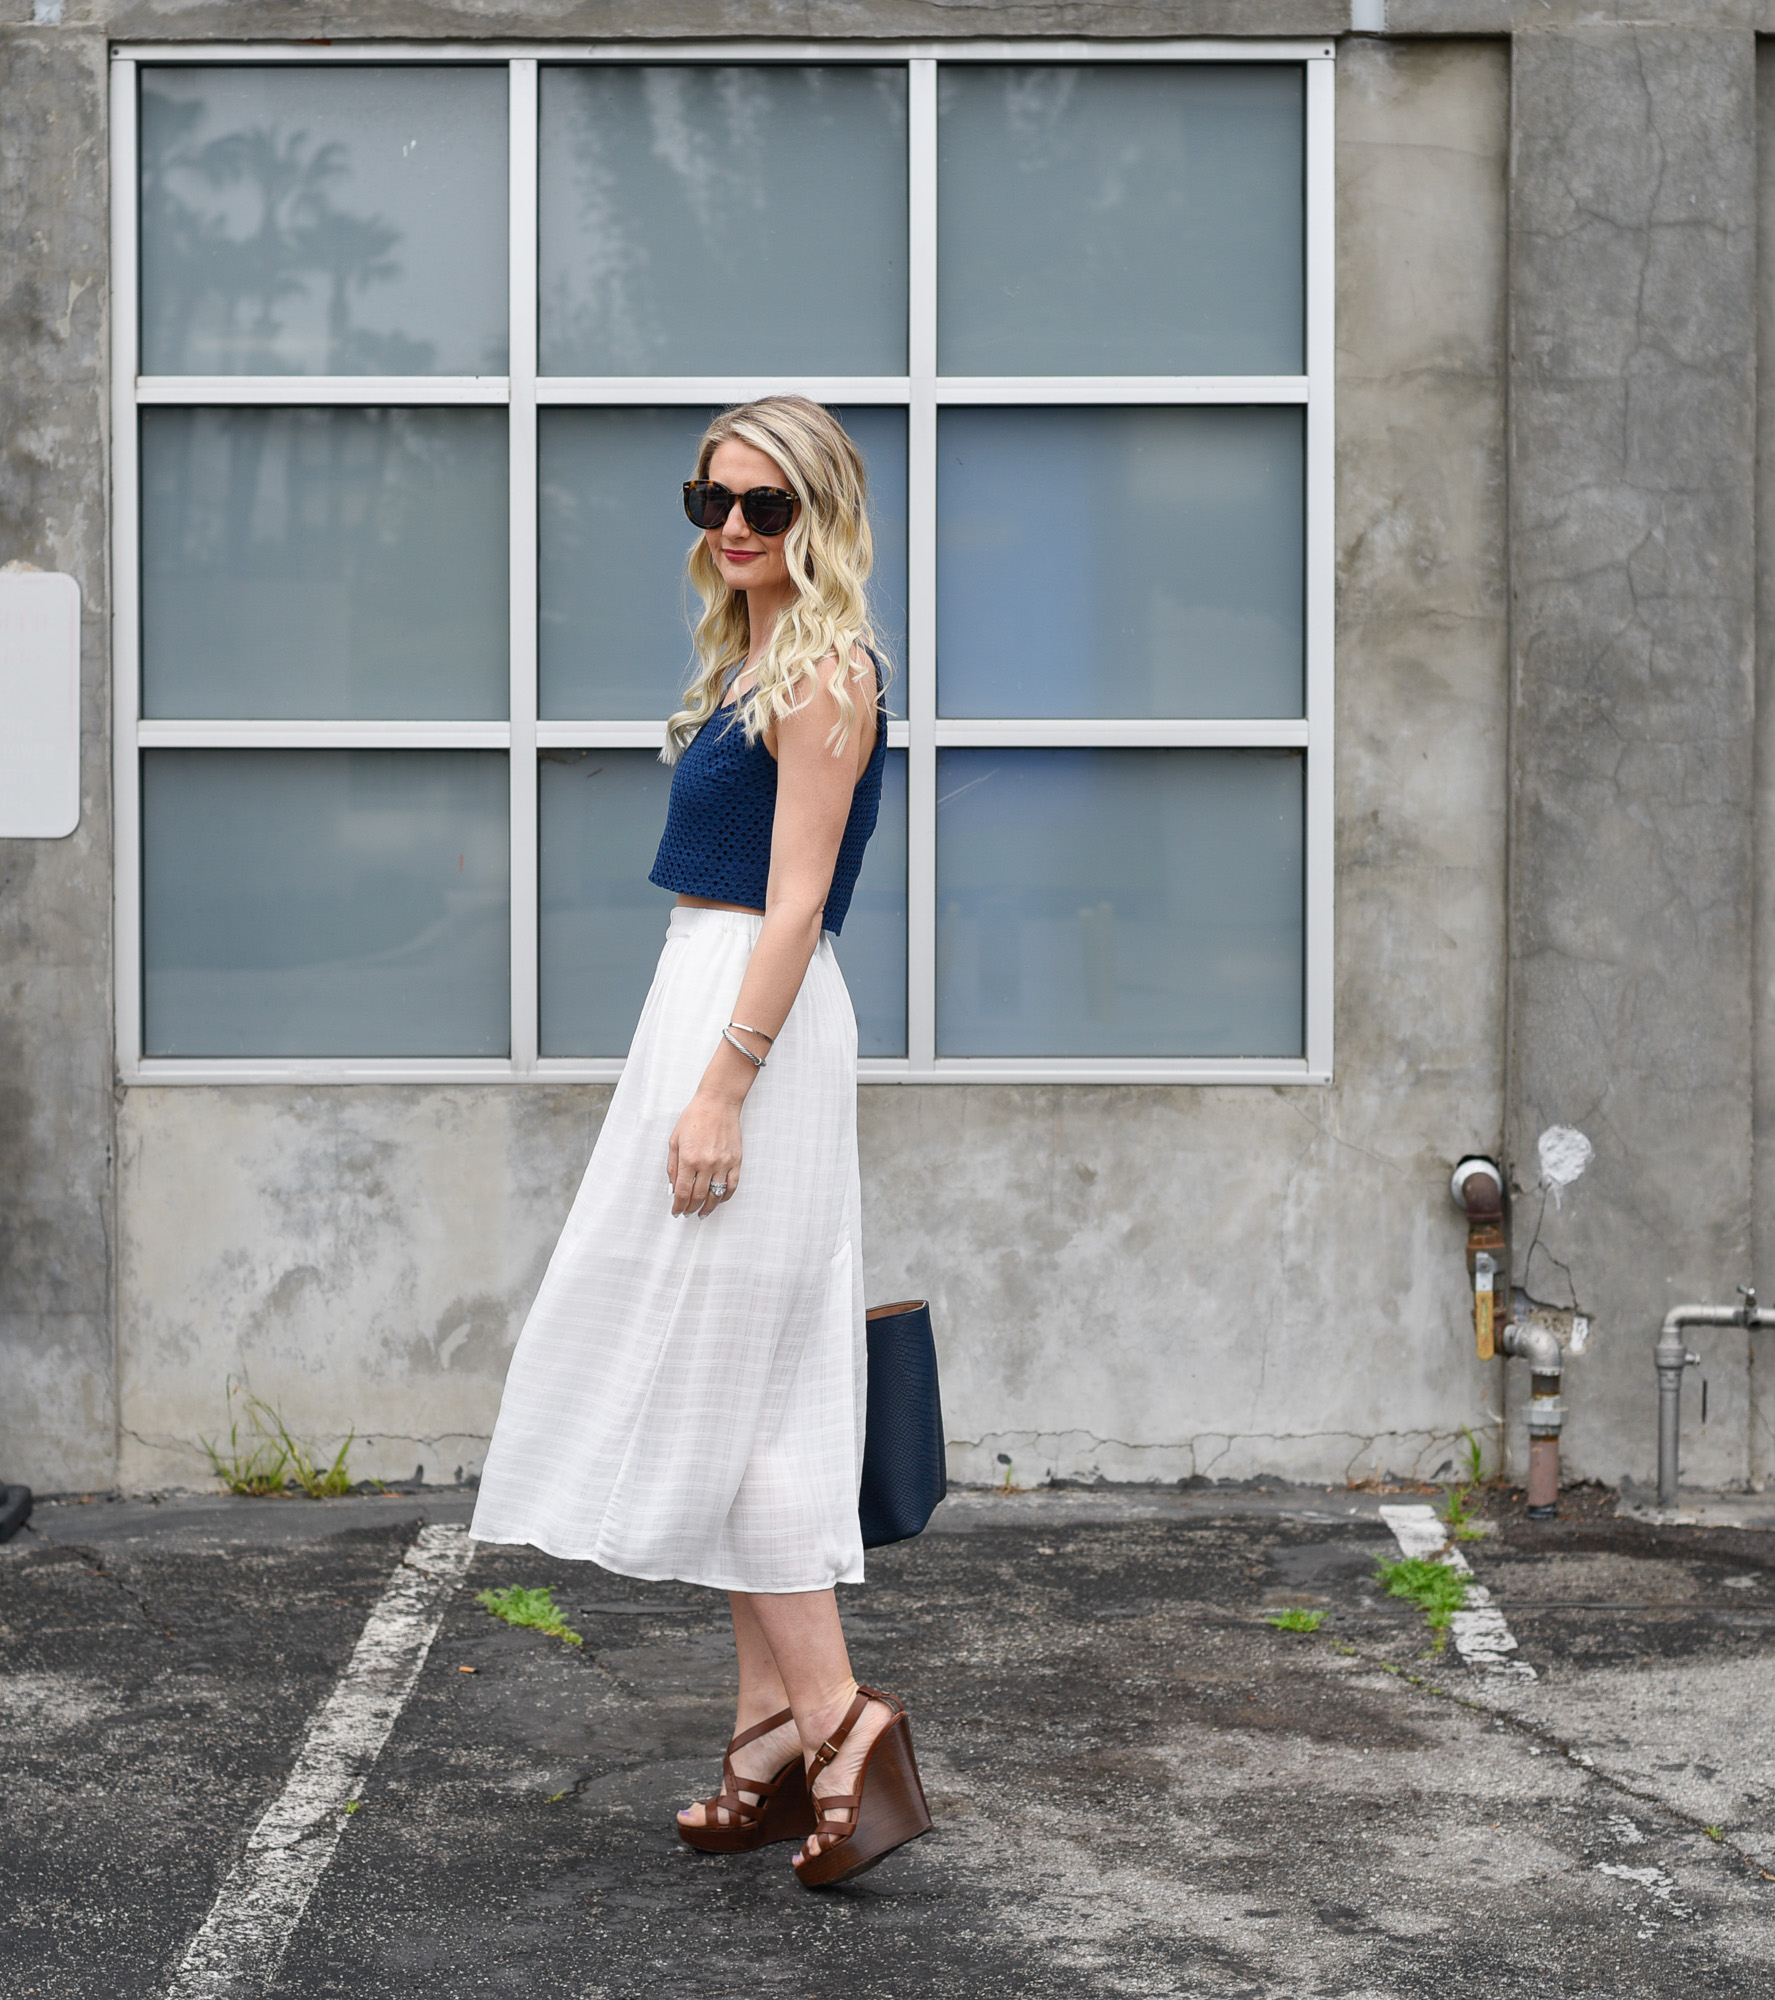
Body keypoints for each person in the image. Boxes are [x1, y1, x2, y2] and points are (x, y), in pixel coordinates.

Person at [471, 396, 932, 1888]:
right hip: (711, 1001)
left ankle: (837, 1718)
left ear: (825, 514)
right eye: (711, 500)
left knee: (732, 1371)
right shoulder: (756, 651)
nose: (733, 526)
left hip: (757, 1020)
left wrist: (726, 1082)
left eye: (766, 504)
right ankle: (766, 1738)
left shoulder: (830, 669)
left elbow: (796, 902)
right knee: (758, 1379)